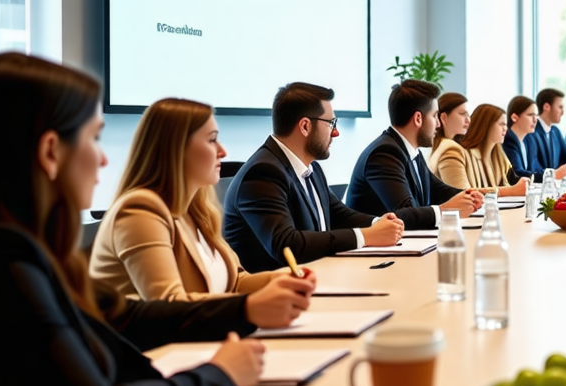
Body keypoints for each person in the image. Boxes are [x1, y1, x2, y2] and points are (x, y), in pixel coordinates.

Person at [0, 54, 314, 386]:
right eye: (94, 138)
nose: (104, 158)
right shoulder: (3, 265)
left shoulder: (27, 252)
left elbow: (130, 315)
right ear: (50, 152)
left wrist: (246, 309)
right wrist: (219, 379)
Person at [91, 98, 299, 301]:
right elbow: (168, 305)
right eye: (212, 139)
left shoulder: (197, 210)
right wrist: (248, 309)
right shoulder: (139, 211)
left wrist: (281, 279)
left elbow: (234, 283)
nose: (223, 151)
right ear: (176, 148)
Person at [223, 82, 403, 272]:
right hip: (275, 293)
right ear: (305, 126)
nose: (336, 132)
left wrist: (379, 223)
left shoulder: (311, 168)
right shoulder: (263, 173)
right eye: (331, 124)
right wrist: (366, 236)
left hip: (316, 278)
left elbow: (338, 215)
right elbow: (287, 246)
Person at [346, 80, 482, 229]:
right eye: (435, 116)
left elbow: (438, 190)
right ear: (418, 118)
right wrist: (445, 210)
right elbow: (404, 212)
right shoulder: (384, 153)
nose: (438, 124)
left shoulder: (410, 150)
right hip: (374, 249)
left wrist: (470, 196)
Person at [433, 104, 529, 196]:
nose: (505, 129)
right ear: (486, 125)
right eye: (501, 124)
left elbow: (512, 182)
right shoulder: (458, 154)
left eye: (506, 125)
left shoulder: (499, 157)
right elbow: (462, 194)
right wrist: (511, 191)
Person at [526, 87, 566, 178]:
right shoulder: (531, 132)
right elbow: (534, 167)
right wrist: (554, 174)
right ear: (546, 107)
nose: (562, 112)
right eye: (560, 107)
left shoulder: (555, 131)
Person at [503, 95, 544, 181]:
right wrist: (552, 175)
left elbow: (537, 169)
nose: (535, 120)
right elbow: (518, 173)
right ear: (514, 117)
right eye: (530, 115)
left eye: (536, 115)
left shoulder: (529, 140)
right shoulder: (507, 140)